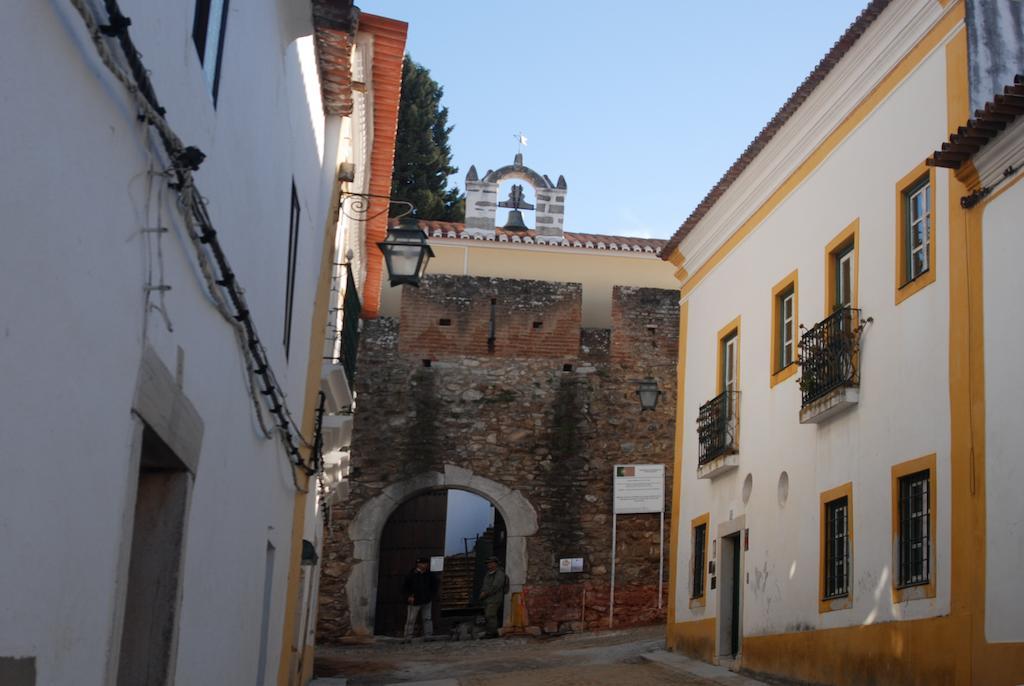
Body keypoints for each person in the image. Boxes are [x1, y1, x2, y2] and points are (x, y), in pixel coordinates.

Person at [402, 557, 438, 639]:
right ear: (418, 564)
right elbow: (405, 587)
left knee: (427, 619)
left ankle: (428, 635)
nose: (424, 565)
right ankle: (407, 637)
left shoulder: (430, 574)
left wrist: (431, 595)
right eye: (422, 563)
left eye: (426, 563)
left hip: (426, 600)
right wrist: (409, 596)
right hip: (414, 601)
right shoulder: (411, 574)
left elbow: (434, 586)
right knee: (411, 620)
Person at [478, 555, 507, 638]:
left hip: (495, 598)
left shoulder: (499, 574)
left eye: (491, 563)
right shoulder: (488, 573)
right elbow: (485, 585)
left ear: (496, 564)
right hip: (488, 599)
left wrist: (485, 593)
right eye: (488, 563)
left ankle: (492, 633)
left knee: (490, 615)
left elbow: (495, 586)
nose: (489, 565)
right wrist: (482, 593)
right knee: (488, 615)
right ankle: (490, 631)